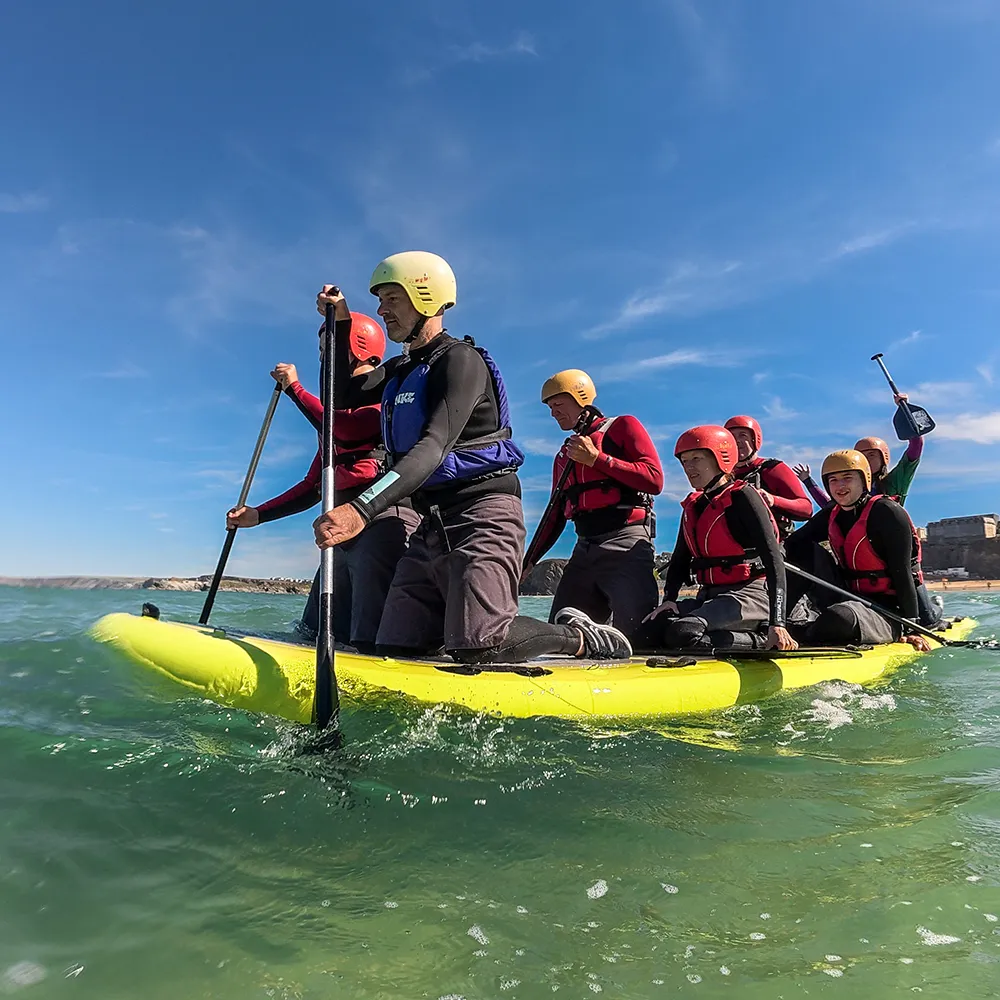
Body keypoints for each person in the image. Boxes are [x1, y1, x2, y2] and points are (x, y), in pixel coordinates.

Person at [311, 251, 632, 663]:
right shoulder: (402, 369)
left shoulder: (461, 361)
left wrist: (361, 509)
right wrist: (338, 322)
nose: (381, 310)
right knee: (394, 648)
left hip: (483, 514)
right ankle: (461, 626)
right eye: (380, 300)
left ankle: (578, 637)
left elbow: (433, 446)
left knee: (482, 646)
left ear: (426, 296)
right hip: (433, 524)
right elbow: (340, 393)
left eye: (392, 298)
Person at [227, 314, 421, 651]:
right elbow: (315, 484)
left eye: (328, 350)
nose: (323, 360)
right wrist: (258, 515)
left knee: (366, 638)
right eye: (321, 352)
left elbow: (344, 427)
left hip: (382, 524)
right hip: (339, 533)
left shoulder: (388, 399)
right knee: (313, 631)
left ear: (359, 350)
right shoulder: (330, 429)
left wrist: (295, 390)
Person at [522, 369, 663, 637]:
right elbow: (554, 515)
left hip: (626, 544)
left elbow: (654, 480)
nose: (554, 413)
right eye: (550, 408)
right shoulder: (564, 455)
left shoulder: (622, 426)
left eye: (559, 405)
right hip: (585, 549)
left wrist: (597, 459)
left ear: (580, 397)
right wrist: (529, 561)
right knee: (559, 633)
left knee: (638, 636)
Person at [632, 425, 798, 651]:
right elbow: (680, 560)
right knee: (647, 630)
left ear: (721, 458)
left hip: (749, 595)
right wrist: (669, 599)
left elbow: (774, 560)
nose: (689, 468)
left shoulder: (743, 497)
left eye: (696, 459)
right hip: (709, 596)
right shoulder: (693, 505)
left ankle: (759, 638)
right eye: (684, 462)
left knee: (682, 632)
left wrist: (777, 623)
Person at [784, 450, 935, 649]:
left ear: (864, 480)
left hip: (888, 610)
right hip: (847, 598)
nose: (840, 486)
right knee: (802, 551)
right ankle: (783, 624)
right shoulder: (831, 514)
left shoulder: (887, 513)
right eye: (833, 480)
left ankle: (806, 633)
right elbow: (791, 546)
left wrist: (912, 627)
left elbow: (903, 573)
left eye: (847, 478)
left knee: (840, 617)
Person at [793, 393, 925, 507]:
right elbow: (829, 506)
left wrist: (905, 409)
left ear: (883, 459)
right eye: (862, 456)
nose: (866, 460)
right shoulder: (853, 487)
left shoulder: (895, 481)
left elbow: (915, 446)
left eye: (871, 455)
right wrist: (808, 481)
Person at [724, 415, 814, 539]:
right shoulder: (722, 477)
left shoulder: (772, 469)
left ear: (754, 440)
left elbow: (806, 509)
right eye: (732, 437)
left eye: (743, 435)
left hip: (776, 546)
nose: (737, 441)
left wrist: (773, 500)